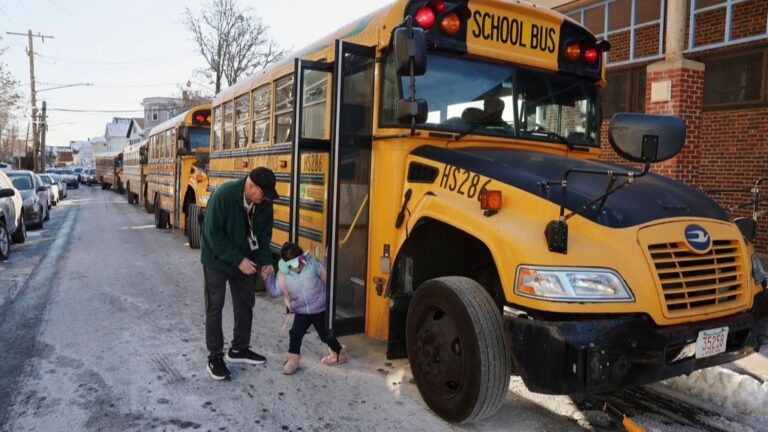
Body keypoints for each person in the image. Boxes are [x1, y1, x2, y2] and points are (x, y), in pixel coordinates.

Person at [201, 167, 278, 380]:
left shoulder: (265, 204)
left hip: (245, 259)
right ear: (250, 185)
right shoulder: (224, 195)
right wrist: (238, 259)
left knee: (245, 302)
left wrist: (265, 263)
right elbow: (213, 234)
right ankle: (214, 357)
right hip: (216, 259)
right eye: (263, 193)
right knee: (215, 306)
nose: (265, 199)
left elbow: (263, 238)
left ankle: (239, 349)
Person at [277, 242, 347, 375]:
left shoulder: (312, 265)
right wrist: (268, 277)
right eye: (292, 265)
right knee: (295, 333)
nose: (298, 267)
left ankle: (338, 352)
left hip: (318, 309)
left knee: (325, 335)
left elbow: (325, 275)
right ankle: (293, 360)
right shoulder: (285, 275)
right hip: (302, 311)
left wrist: (326, 259)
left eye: (300, 262)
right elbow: (276, 290)